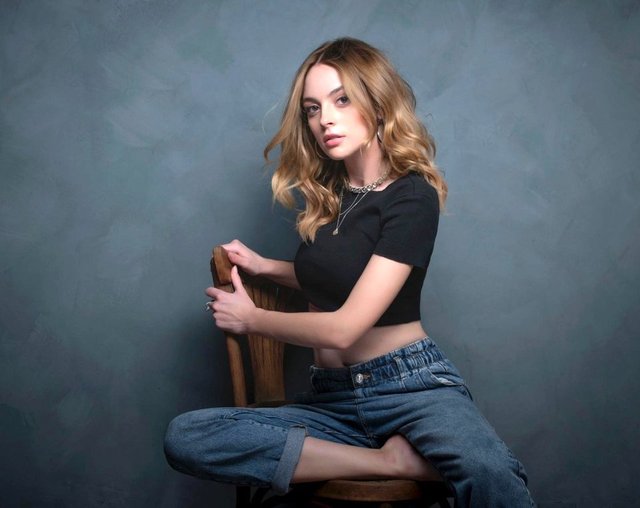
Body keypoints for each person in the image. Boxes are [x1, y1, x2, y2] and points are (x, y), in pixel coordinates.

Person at [164, 37, 535, 507]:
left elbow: (345, 327)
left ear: (378, 104)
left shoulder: (411, 197)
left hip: (410, 389)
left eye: (342, 100)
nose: (325, 119)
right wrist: (266, 268)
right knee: (188, 436)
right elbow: (339, 280)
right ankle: (389, 462)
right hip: (333, 401)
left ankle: (393, 456)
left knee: (490, 474)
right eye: (312, 109)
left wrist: (251, 318)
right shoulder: (329, 196)